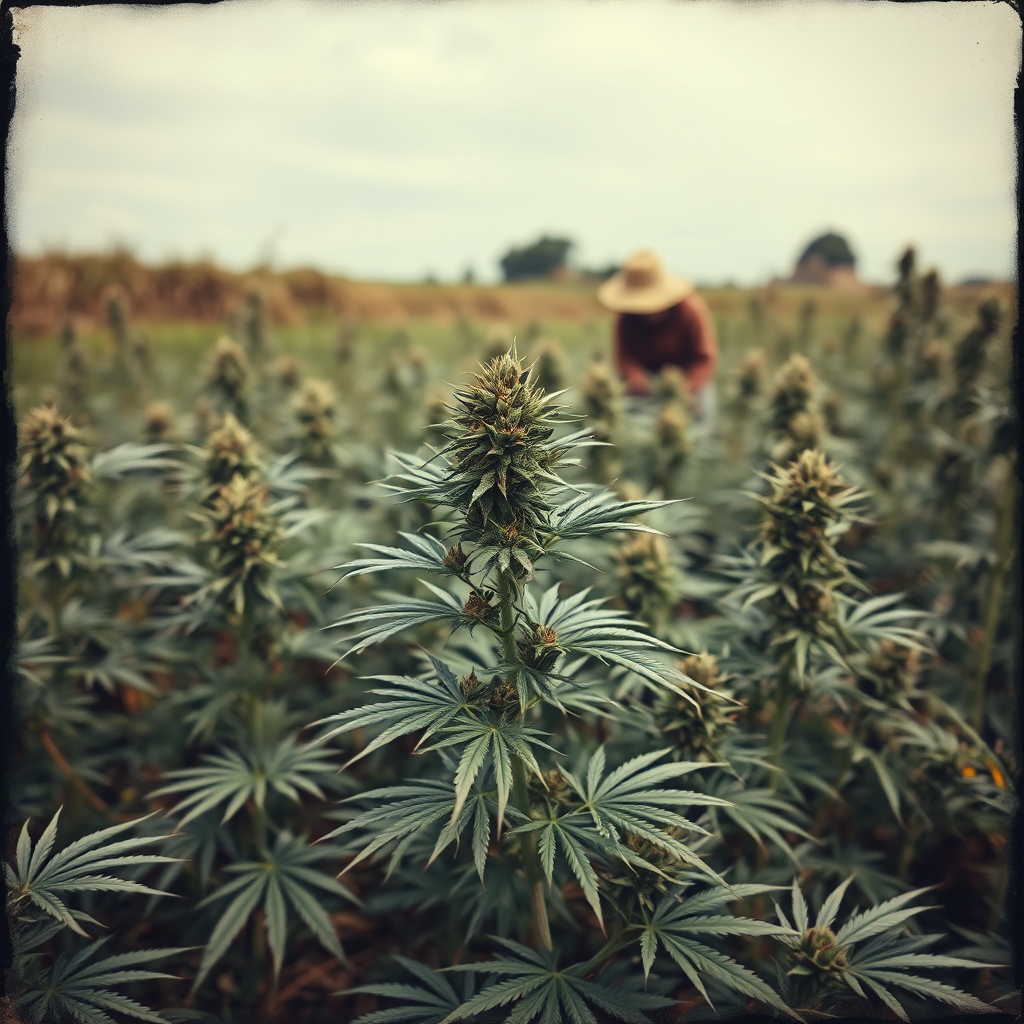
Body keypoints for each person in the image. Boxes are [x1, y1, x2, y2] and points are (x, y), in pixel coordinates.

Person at [597, 249, 718, 430]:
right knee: (632, 426)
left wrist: (684, 391)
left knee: (701, 426)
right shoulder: (626, 317)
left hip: (687, 381)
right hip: (646, 384)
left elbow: (704, 358)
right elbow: (625, 358)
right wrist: (638, 381)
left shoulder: (690, 310)